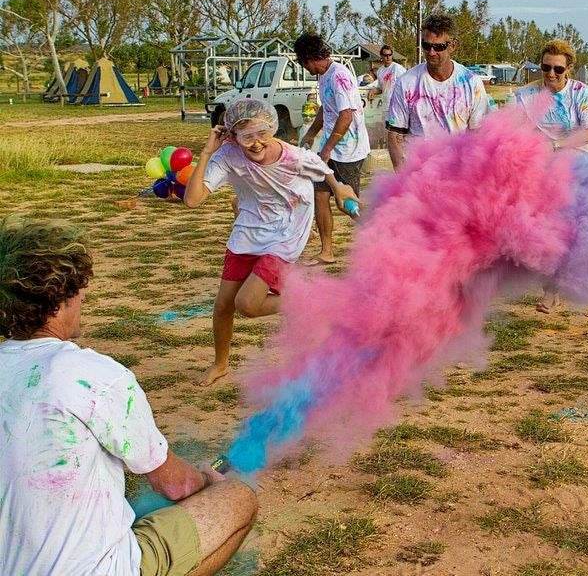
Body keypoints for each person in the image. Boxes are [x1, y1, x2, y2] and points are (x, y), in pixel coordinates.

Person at [0, 216, 259, 576]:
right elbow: (175, 484)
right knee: (237, 500)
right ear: (61, 298)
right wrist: (205, 479)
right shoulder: (93, 376)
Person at [184, 98, 357, 386]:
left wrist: (340, 190)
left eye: (262, 133)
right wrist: (206, 152)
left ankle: (307, 300)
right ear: (232, 136)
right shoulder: (227, 155)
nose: (256, 143)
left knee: (248, 304)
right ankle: (220, 364)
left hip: (287, 233)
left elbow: (324, 171)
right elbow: (192, 200)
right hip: (248, 231)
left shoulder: (292, 157)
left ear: (272, 129)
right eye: (247, 136)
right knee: (223, 305)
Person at [513, 39, 588, 312]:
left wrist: (556, 145)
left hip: (578, 174)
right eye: (545, 68)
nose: (551, 75)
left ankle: (569, 284)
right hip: (540, 176)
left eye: (558, 69)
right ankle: (550, 290)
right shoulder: (526, 95)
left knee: (574, 235)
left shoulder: (581, 93)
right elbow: (515, 130)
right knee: (545, 235)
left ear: (569, 69)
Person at [294, 33, 371, 263]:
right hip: (332, 148)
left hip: (349, 150)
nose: (303, 67)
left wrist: (327, 148)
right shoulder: (323, 76)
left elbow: (346, 115)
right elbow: (325, 109)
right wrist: (311, 133)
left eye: (302, 62)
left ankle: (381, 235)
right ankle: (327, 251)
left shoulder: (340, 76)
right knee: (319, 195)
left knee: (348, 202)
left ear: (309, 58)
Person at [385, 14, 489, 170]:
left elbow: (477, 136)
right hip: (418, 174)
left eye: (439, 47)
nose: (431, 52)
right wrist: (403, 180)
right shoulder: (406, 83)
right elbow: (395, 136)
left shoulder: (471, 83)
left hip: (458, 174)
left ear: (453, 46)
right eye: (426, 46)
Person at [367, 44, 407, 109]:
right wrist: (374, 91)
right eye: (385, 55)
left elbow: (407, 84)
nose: (388, 57)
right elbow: (381, 89)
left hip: (397, 106)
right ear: (381, 56)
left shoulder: (397, 68)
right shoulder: (380, 71)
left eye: (390, 55)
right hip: (385, 106)